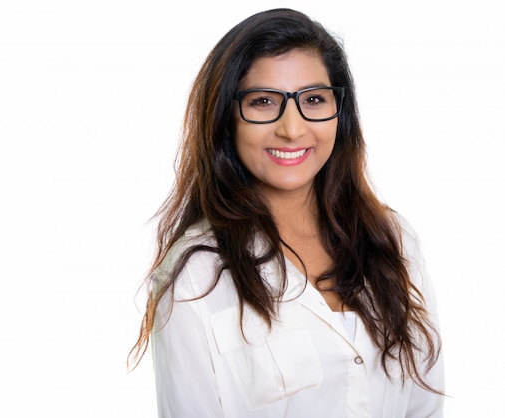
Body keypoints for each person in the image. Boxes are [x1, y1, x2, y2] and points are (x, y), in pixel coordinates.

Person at [128, 8, 445, 417]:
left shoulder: (393, 239)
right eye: (263, 102)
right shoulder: (195, 276)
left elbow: (426, 407)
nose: (292, 129)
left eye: (313, 99)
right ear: (227, 119)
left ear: (340, 112)